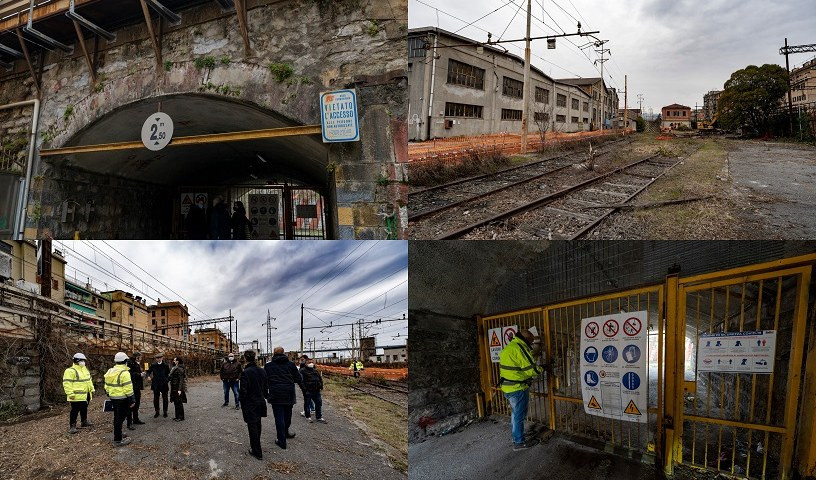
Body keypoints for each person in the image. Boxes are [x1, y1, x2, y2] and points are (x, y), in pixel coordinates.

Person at [499, 329, 544, 451]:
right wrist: (543, 368)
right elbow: (532, 370)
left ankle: (516, 436)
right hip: (517, 389)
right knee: (519, 415)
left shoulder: (509, 347)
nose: (532, 343)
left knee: (515, 414)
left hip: (507, 387)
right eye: (531, 341)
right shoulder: (520, 348)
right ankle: (519, 442)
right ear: (527, 339)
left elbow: (516, 368)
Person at [264, 346, 303, 449]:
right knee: (287, 415)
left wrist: (266, 393)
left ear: (274, 354)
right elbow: (298, 378)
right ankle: (286, 433)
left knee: (279, 417)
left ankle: (282, 440)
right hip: (289, 393)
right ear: (284, 353)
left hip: (275, 394)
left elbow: (264, 380)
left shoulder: (268, 366)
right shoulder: (291, 365)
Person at [240, 350, 267, 460]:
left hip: (250, 403)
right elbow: (266, 388)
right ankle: (256, 447)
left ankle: (257, 451)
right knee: (258, 424)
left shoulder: (245, 372)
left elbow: (243, 391)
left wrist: (242, 403)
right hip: (260, 401)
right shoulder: (262, 371)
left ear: (245, 359)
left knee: (252, 427)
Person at [104, 352, 135, 447]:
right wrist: (132, 400)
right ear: (125, 361)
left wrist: (110, 394)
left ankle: (118, 434)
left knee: (116, 417)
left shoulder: (110, 371)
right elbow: (128, 388)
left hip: (114, 398)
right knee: (120, 419)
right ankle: (118, 440)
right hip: (123, 399)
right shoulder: (125, 373)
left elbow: (106, 385)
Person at [62, 352, 95, 434]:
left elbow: (89, 380)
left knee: (84, 408)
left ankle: (84, 422)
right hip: (75, 396)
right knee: (74, 410)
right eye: (82, 360)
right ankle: (72, 426)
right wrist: (70, 394)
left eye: (84, 360)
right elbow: (67, 383)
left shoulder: (85, 369)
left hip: (86, 394)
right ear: (76, 361)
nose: (83, 362)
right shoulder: (70, 371)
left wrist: (92, 389)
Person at [126, 351, 146, 430]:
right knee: (131, 404)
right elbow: (129, 374)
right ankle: (129, 422)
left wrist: (142, 374)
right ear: (136, 357)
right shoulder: (129, 363)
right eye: (140, 357)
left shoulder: (136, 363)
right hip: (131, 387)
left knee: (137, 403)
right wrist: (139, 374)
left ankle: (136, 419)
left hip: (137, 387)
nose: (141, 359)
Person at [147, 352, 170, 418]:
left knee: (165, 398)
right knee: (156, 398)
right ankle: (157, 411)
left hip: (164, 383)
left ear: (162, 358)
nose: (159, 359)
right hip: (156, 383)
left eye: (160, 358)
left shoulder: (166, 365)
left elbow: (168, 374)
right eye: (157, 358)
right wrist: (148, 376)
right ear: (156, 359)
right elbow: (148, 371)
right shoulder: (153, 365)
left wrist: (166, 380)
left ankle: (165, 411)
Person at [169, 356, 188, 421]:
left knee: (179, 402)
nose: (173, 361)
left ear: (178, 361)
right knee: (176, 402)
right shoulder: (175, 368)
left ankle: (181, 417)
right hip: (174, 387)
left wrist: (180, 389)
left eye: (175, 360)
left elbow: (181, 380)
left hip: (177, 388)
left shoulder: (180, 369)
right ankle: (177, 416)